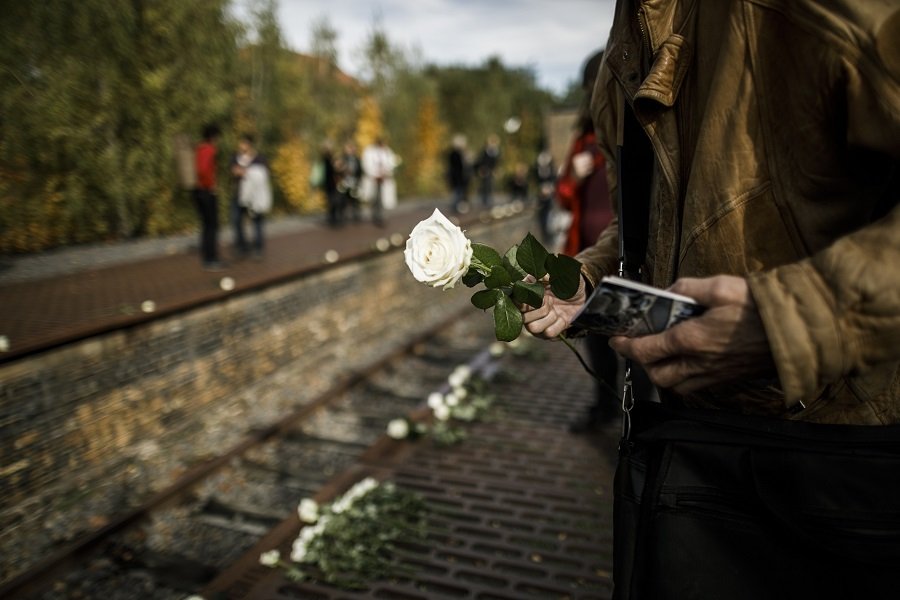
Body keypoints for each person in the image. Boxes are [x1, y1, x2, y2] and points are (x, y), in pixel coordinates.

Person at [522, 1, 900, 597]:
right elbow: (639, 222)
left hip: (844, 467)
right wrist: (592, 280)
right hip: (691, 457)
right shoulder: (623, 49)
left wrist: (795, 318)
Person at [554, 50, 619, 433]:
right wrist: (573, 179)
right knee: (595, 339)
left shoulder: (631, 135)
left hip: (626, 256)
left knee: (631, 340)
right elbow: (562, 196)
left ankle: (636, 420)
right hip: (584, 253)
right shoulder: (583, 141)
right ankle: (603, 408)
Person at [230, 134, 270, 259]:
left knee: (257, 222)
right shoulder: (235, 157)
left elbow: (263, 174)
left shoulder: (259, 158)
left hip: (255, 197)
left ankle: (258, 247)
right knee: (236, 221)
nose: (241, 146)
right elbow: (234, 171)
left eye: (243, 143)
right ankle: (242, 247)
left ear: (249, 144)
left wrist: (245, 172)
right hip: (238, 195)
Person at [193, 124, 224, 271]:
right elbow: (204, 170)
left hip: (198, 191)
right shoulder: (209, 150)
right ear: (213, 137)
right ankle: (211, 258)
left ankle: (208, 257)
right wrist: (211, 185)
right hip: (206, 192)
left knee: (206, 225)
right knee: (212, 226)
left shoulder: (198, 149)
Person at [360, 137, 399, 227]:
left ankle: (381, 217)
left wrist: (386, 172)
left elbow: (391, 163)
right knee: (375, 199)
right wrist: (375, 174)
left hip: (384, 180)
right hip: (374, 180)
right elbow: (367, 165)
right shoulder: (369, 151)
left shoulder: (387, 151)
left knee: (382, 201)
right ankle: (375, 216)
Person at [531, 144, 556, 243]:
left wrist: (549, 188)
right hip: (541, 197)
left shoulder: (551, 168)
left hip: (550, 196)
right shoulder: (537, 169)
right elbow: (535, 181)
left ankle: (550, 238)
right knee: (542, 218)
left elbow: (554, 180)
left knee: (550, 218)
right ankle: (544, 238)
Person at [336, 141, 362, 223]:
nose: (351, 150)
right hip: (345, 182)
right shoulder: (343, 158)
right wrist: (343, 170)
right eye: (349, 149)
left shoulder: (357, 159)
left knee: (355, 199)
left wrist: (358, 179)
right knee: (343, 199)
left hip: (354, 182)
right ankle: (342, 216)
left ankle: (356, 216)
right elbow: (338, 169)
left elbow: (360, 170)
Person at [319, 141, 342, 227]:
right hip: (330, 183)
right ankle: (333, 219)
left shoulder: (329, 158)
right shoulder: (327, 159)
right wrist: (336, 166)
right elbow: (331, 170)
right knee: (333, 201)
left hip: (331, 183)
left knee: (333, 201)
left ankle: (333, 219)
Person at [473, 134, 501, 208]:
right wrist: (481, 169)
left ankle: (488, 201)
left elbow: (497, 162)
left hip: (491, 172)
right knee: (485, 186)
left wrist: (496, 170)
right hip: (485, 171)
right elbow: (480, 161)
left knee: (490, 186)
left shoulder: (496, 152)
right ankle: (484, 201)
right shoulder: (485, 151)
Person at [446, 134, 470, 214]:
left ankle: (457, 207)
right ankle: (456, 208)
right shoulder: (455, 154)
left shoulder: (456, 153)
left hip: (459, 178)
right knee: (457, 193)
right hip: (457, 177)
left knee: (458, 193)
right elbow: (459, 166)